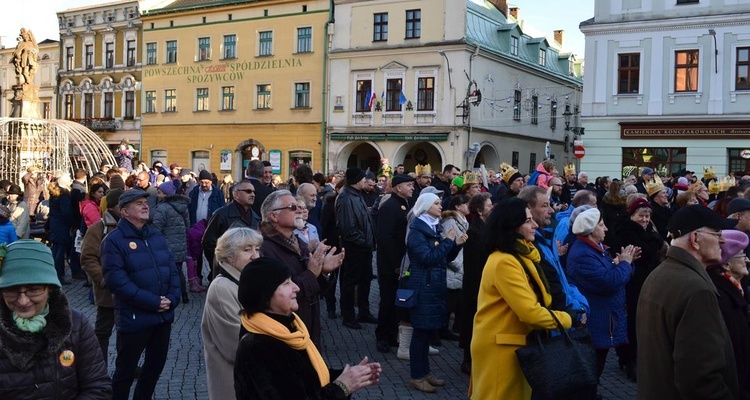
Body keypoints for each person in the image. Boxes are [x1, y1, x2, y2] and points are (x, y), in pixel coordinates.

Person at [469, 198, 581, 399]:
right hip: (501, 349)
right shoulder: (505, 261)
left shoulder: (521, 256)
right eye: (528, 221)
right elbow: (530, 312)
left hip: (516, 345)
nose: (535, 225)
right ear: (512, 225)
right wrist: (568, 318)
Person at [234, 257, 381, 399]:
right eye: (286, 283)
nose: (296, 287)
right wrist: (342, 386)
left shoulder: (290, 327)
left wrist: (352, 376)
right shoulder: (258, 348)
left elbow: (308, 379)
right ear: (265, 295)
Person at [637, 205, 740, 399]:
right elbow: (701, 380)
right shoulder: (697, 290)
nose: (724, 239)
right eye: (717, 233)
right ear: (695, 239)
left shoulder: (659, 274)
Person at [0, 239, 111, 398]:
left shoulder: (76, 325)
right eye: (11, 290)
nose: (23, 301)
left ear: (50, 289)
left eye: (33, 290)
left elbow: (98, 386)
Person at [101, 190, 182, 400]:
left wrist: (173, 298)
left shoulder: (155, 235)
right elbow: (117, 282)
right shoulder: (114, 241)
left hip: (162, 317)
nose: (145, 206)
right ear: (125, 211)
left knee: (154, 368)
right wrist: (152, 302)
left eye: (146, 202)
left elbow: (172, 269)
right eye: (139, 203)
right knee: (125, 372)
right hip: (134, 318)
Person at [566, 208, 638, 392]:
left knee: (594, 372)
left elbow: (613, 275)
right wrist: (625, 263)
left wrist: (622, 263)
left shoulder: (597, 250)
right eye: (601, 225)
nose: (606, 229)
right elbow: (610, 282)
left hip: (604, 319)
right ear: (590, 229)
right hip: (596, 322)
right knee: (590, 374)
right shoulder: (583, 254)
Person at [260, 190, 344, 345]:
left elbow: (315, 290)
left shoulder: (299, 242)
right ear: (273, 216)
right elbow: (276, 295)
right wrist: (312, 273)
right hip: (285, 331)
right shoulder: (264, 248)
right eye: (293, 207)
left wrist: (323, 271)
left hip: (308, 325)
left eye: (299, 206)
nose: (300, 210)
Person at [404, 193, 466, 393]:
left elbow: (443, 257)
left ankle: (425, 372)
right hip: (423, 286)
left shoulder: (433, 226)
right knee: (420, 333)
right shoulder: (417, 231)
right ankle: (417, 375)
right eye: (437, 203)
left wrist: (456, 245)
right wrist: (448, 241)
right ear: (426, 206)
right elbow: (428, 258)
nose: (441, 206)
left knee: (426, 331)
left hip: (432, 285)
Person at [201, 227, 262, 400]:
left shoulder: (247, 280)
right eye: (247, 249)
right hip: (234, 384)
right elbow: (236, 345)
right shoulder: (222, 288)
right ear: (229, 255)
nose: (255, 255)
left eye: (257, 249)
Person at [613, 197, 666, 380]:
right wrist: (655, 240)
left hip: (646, 279)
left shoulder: (648, 229)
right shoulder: (627, 230)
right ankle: (630, 358)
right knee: (633, 319)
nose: (645, 219)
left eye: (647, 215)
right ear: (632, 215)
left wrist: (653, 240)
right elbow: (646, 253)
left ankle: (631, 356)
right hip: (633, 281)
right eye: (641, 216)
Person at [81, 188, 122, 364]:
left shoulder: (136, 226)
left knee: (127, 331)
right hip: (108, 292)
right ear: (112, 207)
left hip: (131, 291)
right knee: (103, 331)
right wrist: (104, 279)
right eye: (123, 204)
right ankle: (99, 366)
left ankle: (126, 365)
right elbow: (88, 258)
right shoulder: (98, 228)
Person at [374, 174, 415, 353]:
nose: (412, 188)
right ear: (398, 187)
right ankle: (382, 336)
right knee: (387, 300)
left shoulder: (405, 204)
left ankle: (392, 334)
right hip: (390, 264)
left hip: (401, 263)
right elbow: (385, 238)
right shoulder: (389, 206)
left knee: (397, 301)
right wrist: (396, 264)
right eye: (408, 185)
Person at [708, 230, 750, 399]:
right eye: (741, 255)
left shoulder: (735, 290)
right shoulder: (722, 297)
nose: (747, 259)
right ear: (726, 264)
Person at [336, 167, 376, 330]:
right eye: (362, 179)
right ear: (356, 181)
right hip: (355, 248)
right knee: (350, 282)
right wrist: (364, 242)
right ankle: (348, 316)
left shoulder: (356, 195)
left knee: (365, 281)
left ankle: (364, 312)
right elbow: (347, 228)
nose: (365, 181)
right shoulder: (345, 197)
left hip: (363, 247)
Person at [458, 192, 493, 375]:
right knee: (471, 324)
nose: (492, 207)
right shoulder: (474, 232)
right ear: (480, 211)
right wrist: (475, 291)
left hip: (483, 283)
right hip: (475, 286)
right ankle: (467, 360)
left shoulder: (486, 228)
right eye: (489, 205)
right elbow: (472, 266)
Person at [202, 180, 260, 274]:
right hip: (226, 270)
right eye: (248, 191)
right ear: (236, 194)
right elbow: (208, 242)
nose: (253, 194)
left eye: (254, 192)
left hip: (249, 270)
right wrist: (219, 262)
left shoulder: (256, 218)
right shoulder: (221, 214)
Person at [152, 179, 193, 301]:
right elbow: (187, 225)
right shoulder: (182, 206)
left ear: (166, 194)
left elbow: (157, 228)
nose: (158, 195)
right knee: (178, 271)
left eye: (159, 192)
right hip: (180, 244)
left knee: (167, 271)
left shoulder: (162, 208)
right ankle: (184, 295)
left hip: (166, 245)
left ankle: (171, 295)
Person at [440, 194, 470, 341]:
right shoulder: (450, 223)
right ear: (457, 206)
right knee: (448, 301)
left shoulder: (464, 222)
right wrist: (456, 264)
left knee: (455, 301)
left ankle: (448, 328)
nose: (469, 206)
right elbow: (447, 246)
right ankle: (442, 329)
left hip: (460, 266)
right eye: (466, 203)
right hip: (453, 267)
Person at [189, 169, 226, 282]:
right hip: (196, 227)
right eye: (202, 182)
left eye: (207, 182)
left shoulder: (217, 193)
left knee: (212, 254)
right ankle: (198, 278)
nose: (204, 185)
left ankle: (212, 277)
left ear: (211, 182)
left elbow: (222, 209)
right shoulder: (194, 192)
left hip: (211, 227)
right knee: (197, 254)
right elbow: (189, 207)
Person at [48, 173, 77, 283]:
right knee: (60, 252)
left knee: (56, 251)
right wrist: (72, 223)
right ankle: (59, 275)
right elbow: (66, 212)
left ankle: (55, 274)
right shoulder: (63, 196)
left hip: (55, 225)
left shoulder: (53, 195)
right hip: (62, 227)